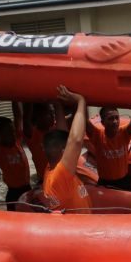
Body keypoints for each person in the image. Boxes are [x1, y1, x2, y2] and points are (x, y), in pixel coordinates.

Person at [42, 86, 91, 214]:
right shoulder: (59, 176)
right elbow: (75, 141)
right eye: (66, 148)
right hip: (81, 232)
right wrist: (81, 101)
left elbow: (63, 135)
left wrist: (58, 104)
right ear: (63, 150)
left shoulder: (51, 169)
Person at [0, 100, 31, 209]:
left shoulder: (17, 142)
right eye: (9, 132)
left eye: (13, 130)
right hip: (14, 193)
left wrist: (14, 98)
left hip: (28, 189)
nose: (13, 134)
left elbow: (18, 117)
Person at [85, 105, 131, 190]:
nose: (115, 121)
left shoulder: (124, 133)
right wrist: (82, 102)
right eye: (110, 118)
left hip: (124, 181)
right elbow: (85, 121)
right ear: (102, 122)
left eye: (117, 118)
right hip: (105, 182)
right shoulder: (97, 136)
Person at [24, 102, 56, 183]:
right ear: (39, 117)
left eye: (53, 113)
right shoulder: (32, 134)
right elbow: (25, 118)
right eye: (49, 113)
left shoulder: (56, 128)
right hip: (44, 181)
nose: (52, 116)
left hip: (60, 178)